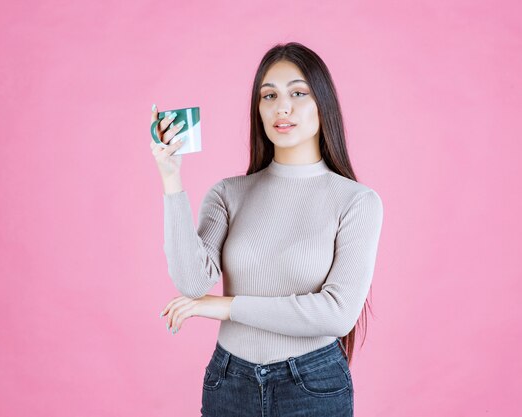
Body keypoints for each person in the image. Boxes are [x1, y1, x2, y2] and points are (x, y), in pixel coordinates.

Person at [150, 42, 383, 417]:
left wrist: (227, 307)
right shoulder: (228, 193)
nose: (282, 107)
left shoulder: (357, 202)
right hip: (229, 382)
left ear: (323, 104)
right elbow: (192, 284)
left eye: (298, 92)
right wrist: (171, 178)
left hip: (311, 386)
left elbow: (337, 314)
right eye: (269, 95)